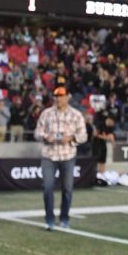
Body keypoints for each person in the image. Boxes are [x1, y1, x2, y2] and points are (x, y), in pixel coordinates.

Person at [34, 87, 87, 230]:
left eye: (61, 96)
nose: (58, 99)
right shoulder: (46, 114)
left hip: (68, 155)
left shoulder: (76, 115)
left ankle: (64, 218)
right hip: (49, 155)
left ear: (68, 97)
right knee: (47, 187)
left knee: (67, 189)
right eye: (56, 96)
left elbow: (83, 135)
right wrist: (46, 137)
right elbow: (37, 132)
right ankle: (49, 219)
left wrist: (71, 139)